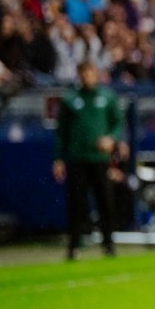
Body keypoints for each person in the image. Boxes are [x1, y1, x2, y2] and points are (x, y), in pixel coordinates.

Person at [52, 59, 124, 260]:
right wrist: (58, 158)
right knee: (77, 204)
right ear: (79, 75)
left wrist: (112, 139)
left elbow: (117, 123)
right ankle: (74, 246)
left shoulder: (107, 97)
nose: (87, 77)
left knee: (105, 202)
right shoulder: (70, 99)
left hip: (100, 159)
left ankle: (108, 244)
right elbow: (61, 132)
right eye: (83, 73)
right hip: (77, 159)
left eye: (90, 73)